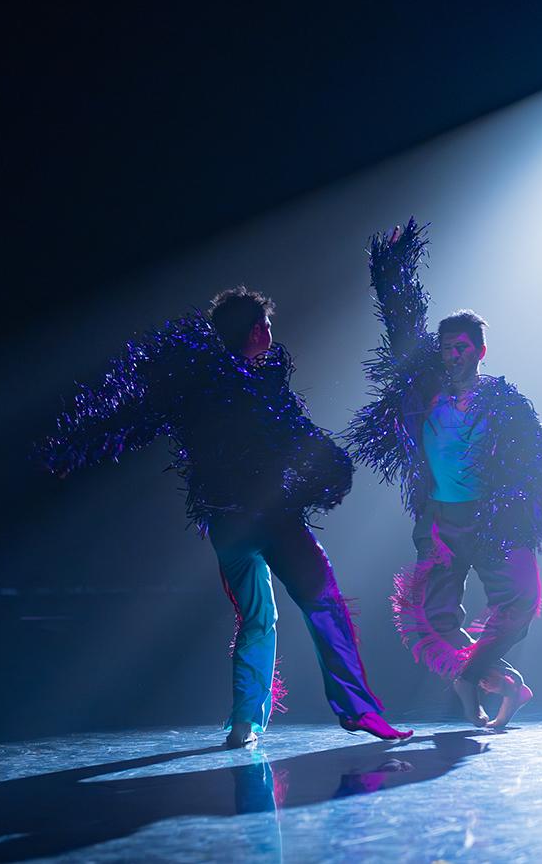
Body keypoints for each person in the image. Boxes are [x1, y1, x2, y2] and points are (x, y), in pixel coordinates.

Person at [40, 287, 411, 748]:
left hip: (226, 525)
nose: (272, 335)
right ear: (257, 331)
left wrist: (73, 449)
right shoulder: (256, 387)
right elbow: (294, 433)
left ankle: (245, 724)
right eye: (268, 327)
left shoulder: (194, 385)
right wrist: (332, 467)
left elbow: (131, 418)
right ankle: (358, 711)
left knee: (257, 619)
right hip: (272, 521)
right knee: (325, 607)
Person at [346, 220, 542, 728]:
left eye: (461, 345)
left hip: (490, 523)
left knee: (521, 604)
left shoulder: (505, 405)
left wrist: (517, 512)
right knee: (433, 619)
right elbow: (402, 328)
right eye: (445, 345)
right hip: (440, 522)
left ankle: (480, 679)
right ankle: (497, 688)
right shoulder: (424, 393)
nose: (451, 353)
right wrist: (393, 270)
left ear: (480, 350)